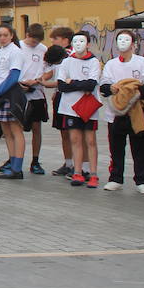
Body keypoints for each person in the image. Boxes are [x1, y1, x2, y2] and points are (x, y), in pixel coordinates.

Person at [99, 29, 144, 193]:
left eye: (126, 40)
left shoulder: (142, 62)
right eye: (119, 40)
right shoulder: (111, 64)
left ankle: (141, 180)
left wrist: (135, 92)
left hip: (136, 111)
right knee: (116, 147)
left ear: (134, 44)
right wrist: (111, 88)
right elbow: (104, 86)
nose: (122, 43)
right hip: (116, 112)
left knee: (140, 147)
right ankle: (116, 178)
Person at [55, 32, 102, 188]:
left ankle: (93, 173)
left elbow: (91, 84)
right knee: (75, 139)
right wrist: (79, 85)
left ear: (88, 44)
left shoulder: (94, 62)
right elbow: (61, 86)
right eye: (76, 41)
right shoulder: (66, 62)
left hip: (88, 107)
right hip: (70, 107)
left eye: (82, 41)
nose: (79, 44)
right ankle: (77, 171)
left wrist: (72, 82)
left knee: (90, 140)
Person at [0, 23, 27, 179]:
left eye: (5, 35)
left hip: (10, 93)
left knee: (16, 130)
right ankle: (11, 161)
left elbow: (13, 76)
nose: (2, 38)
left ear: (11, 36)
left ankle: (17, 167)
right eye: (0, 35)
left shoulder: (16, 52)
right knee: (6, 131)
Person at [17, 23, 49, 175]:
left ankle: (35, 161)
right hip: (19, 92)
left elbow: (49, 71)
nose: (35, 44)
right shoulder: (17, 47)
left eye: (37, 42)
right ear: (27, 35)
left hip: (36, 92)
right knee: (16, 128)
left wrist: (36, 80)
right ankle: (15, 159)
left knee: (37, 128)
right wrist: (18, 83)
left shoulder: (43, 50)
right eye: (33, 41)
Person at [44, 27, 76, 177]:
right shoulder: (57, 57)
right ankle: (68, 163)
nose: (52, 42)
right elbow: (52, 72)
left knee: (74, 132)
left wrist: (44, 84)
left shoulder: (72, 56)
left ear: (65, 40)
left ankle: (80, 164)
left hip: (69, 97)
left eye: (55, 39)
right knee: (63, 132)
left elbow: (61, 81)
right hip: (59, 97)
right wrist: (41, 78)